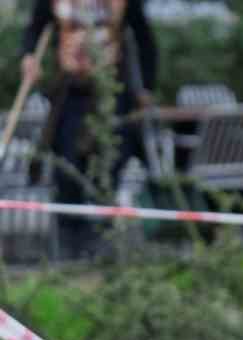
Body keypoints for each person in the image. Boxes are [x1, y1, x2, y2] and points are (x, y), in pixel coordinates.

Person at [19, 0, 158, 259]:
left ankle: (103, 238)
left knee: (111, 162)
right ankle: (71, 242)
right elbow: (34, 29)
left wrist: (146, 87)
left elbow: (144, 39)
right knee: (68, 166)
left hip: (111, 91)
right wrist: (29, 57)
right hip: (70, 92)